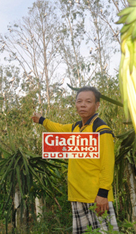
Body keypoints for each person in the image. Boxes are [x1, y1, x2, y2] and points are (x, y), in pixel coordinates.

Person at [32, 86, 119, 233]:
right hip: (77, 195)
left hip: (97, 197)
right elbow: (58, 128)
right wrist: (41, 120)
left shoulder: (101, 129)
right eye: (79, 101)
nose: (83, 105)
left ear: (97, 105)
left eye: (88, 101)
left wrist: (103, 194)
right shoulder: (76, 128)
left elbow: (108, 163)